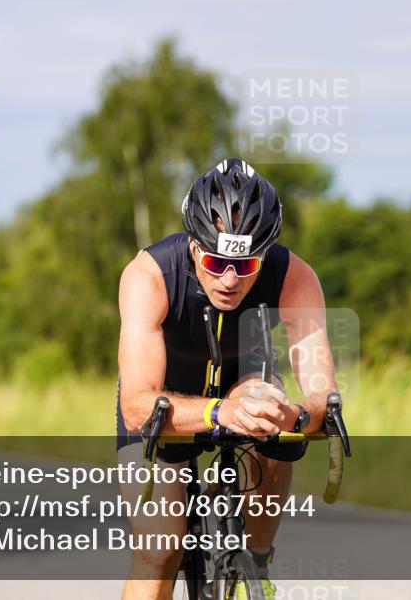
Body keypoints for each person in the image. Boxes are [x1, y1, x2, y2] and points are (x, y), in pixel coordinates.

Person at [117, 158, 339, 600]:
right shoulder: (148, 275)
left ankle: (254, 564)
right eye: (216, 262)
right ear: (194, 246)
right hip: (165, 400)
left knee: (272, 414)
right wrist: (219, 412)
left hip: (245, 381)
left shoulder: (294, 277)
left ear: (266, 253)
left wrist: (293, 416)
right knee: (159, 552)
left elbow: (322, 396)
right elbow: (138, 405)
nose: (230, 278)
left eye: (248, 263)